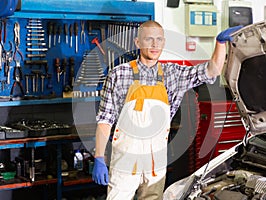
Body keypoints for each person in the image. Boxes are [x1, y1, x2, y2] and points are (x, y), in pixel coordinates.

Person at [92, 20, 242, 199]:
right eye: (149, 39)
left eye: (159, 40)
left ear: (163, 42)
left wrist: (220, 44)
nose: (155, 45)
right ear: (137, 43)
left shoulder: (174, 74)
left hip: (156, 161)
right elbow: (105, 120)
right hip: (125, 159)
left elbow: (212, 70)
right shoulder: (118, 74)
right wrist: (99, 157)